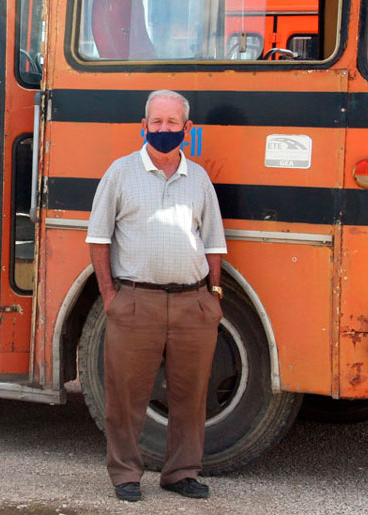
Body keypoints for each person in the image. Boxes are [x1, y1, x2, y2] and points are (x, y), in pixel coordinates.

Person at [86, 90, 227, 502]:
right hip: (135, 302)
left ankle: (181, 472)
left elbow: (214, 241)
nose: (164, 130)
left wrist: (213, 296)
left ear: (187, 128)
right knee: (125, 395)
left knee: (190, 394)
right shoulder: (120, 173)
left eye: (173, 123)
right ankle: (126, 474)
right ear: (143, 126)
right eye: (157, 122)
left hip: (192, 304)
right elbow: (99, 238)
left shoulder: (198, 178)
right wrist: (110, 295)